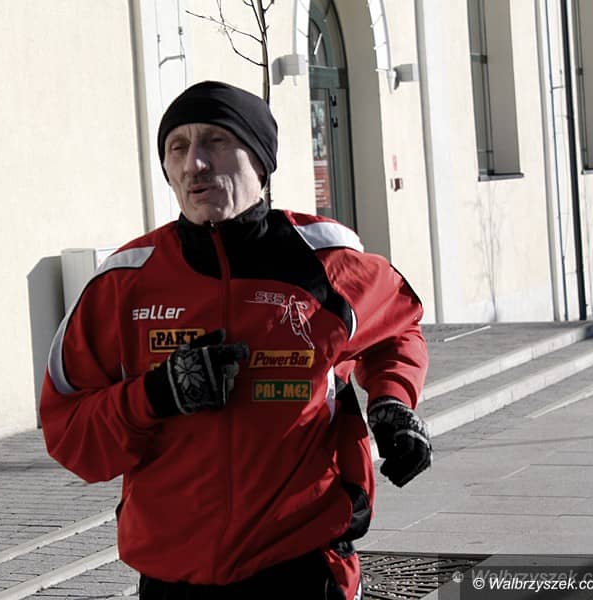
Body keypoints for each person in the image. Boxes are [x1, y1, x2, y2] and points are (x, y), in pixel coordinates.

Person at [40, 81, 431, 600]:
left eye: (215, 141)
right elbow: (70, 434)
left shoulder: (326, 262)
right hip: (175, 578)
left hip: (304, 569)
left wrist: (392, 402)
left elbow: (398, 328)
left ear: (261, 162)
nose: (194, 164)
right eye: (177, 148)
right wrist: (156, 395)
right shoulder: (123, 284)